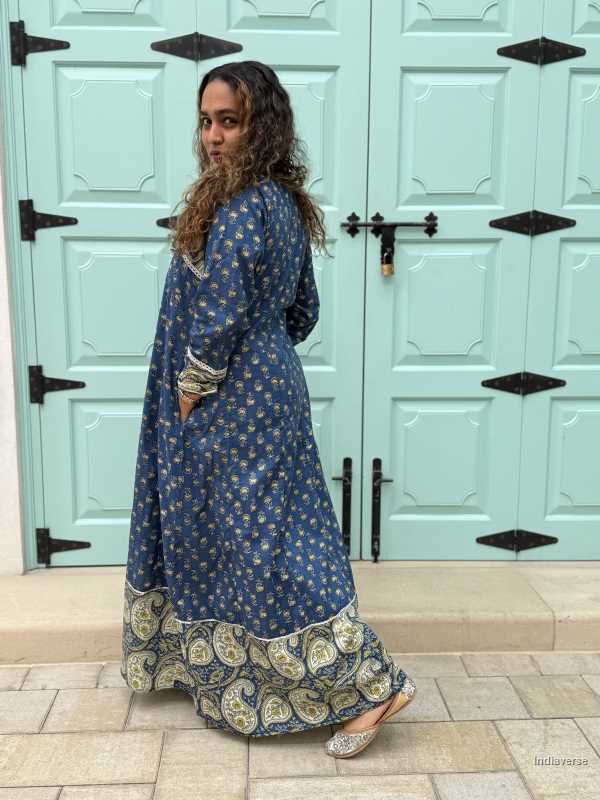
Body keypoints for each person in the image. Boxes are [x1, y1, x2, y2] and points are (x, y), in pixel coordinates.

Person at [120, 60, 416, 758]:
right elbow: (301, 311)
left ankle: (373, 686)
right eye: (206, 121)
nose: (213, 136)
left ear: (263, 126)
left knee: (262, 546)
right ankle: (257, 676)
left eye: (229, 120)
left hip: (229, 401)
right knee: (266, 539)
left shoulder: (243, 206)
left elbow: (219, 317)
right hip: (270, 389)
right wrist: (264, 355)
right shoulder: (281, 203)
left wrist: (192, 389)